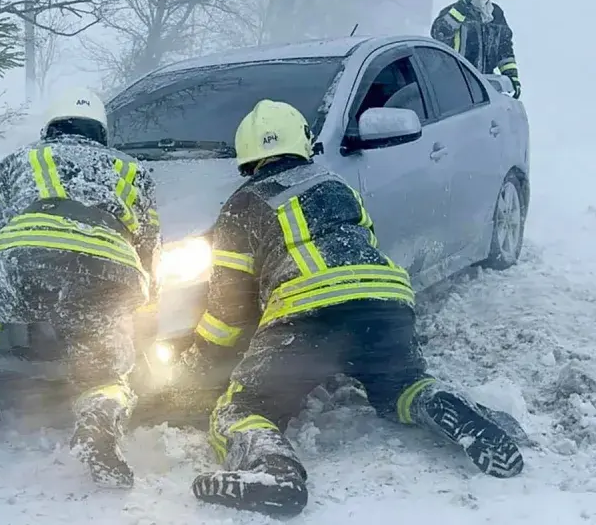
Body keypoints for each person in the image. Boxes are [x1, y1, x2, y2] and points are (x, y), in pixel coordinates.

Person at [176, 100, 525, 518]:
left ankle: (275, 474)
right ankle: (443, 405)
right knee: (400, 386)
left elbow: (228, 311)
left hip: (307, 315)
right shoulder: (337, 186)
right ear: (301, 142)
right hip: (387, 302)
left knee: (244, 409)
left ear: (247, 154)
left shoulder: (242, 205)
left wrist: (198, 360)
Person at [0, 87, 161, 488]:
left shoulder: (22, 159)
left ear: (50, 127)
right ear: (101, 131)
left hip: (29, 263)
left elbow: (1, 230)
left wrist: (19, 288)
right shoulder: (135, 170)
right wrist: (144, 309)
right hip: (108, 274)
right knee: (107, 371)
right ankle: (99, 424)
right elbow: (149, 248)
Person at [431, 0, 520, 98]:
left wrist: (512, 78)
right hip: (455, 86)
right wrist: (462, 7)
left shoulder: (496, 15)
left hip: (485, 89)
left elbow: (505, 51)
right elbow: (439, 33)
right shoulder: (454, 12)